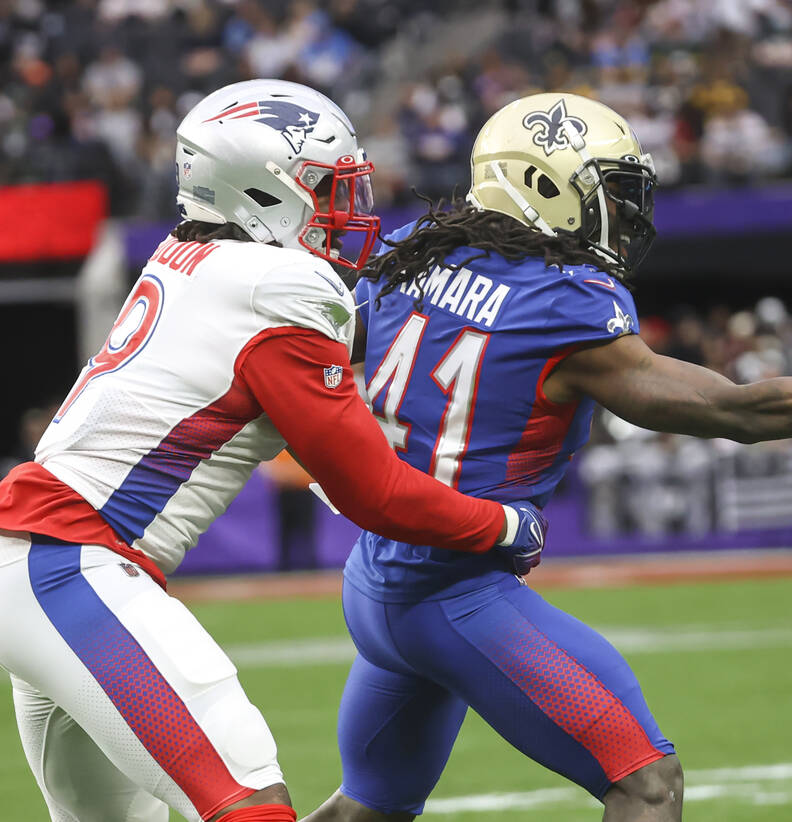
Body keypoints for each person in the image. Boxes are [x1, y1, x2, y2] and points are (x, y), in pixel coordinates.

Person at [304, 93, 792, 822]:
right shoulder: (562, 303)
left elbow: (314, 364)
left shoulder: (417, 247)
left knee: (362, 813)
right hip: (455, 593)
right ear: (542, 188)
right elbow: (736, 410)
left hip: (375, 581)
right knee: (648, 784)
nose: (622, 216)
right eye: (607, 194)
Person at [0, 79, 545, 822]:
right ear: (258, 189)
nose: (346, 210)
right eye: (325, 188)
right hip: (73, 567)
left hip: (39, 565)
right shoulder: (281, 282)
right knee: (251, 802)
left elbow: (334, 463)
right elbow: (371, 490)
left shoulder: (191, 260)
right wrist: (504, 525)